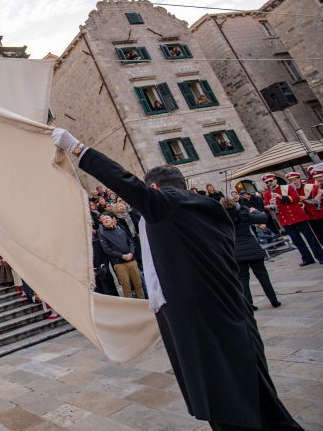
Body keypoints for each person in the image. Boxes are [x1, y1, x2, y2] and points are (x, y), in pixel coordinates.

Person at [52, 128, 301, 430]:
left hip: (198, 317)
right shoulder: (207, 207)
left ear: (156, 187)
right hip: (229, 308)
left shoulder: (168, 205)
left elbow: (126, 183)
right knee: (255, 390)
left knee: (222, 395)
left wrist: (78, 148)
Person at [221, 198, 281, 310]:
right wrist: (255, 211)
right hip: (252, 247)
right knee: (263, 275)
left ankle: (249, 305)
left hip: (236, 251)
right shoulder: (244, 215)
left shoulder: (222, 221)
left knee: (243, 279)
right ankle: (274, 301)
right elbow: (263, 218)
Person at [262, 173, 323, 266]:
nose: (269, 183)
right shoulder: (267, 194)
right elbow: (267, 206)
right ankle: (307, 258)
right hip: (285, 220)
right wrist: (270, 206)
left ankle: (320, 257)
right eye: (267, 182)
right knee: (297, 241)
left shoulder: (287, 188)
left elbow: (296, 198)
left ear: (275, 180)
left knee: (310, 238)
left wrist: (280, 197)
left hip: (298, 216)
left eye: (270, 181)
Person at [97, 213, 145, 299]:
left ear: (112, 219)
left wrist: (131, 253)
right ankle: (131, 309)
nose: (105, 220)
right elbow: (107, 250)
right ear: (102, 224)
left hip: (132, 261)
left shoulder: (121, 230)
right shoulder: (102, 234)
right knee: (126, 288)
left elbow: (131, 242)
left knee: (139, 285)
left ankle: (143, 304)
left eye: (107, 218)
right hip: (119, 264)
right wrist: (122, 256)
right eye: (103, 220)